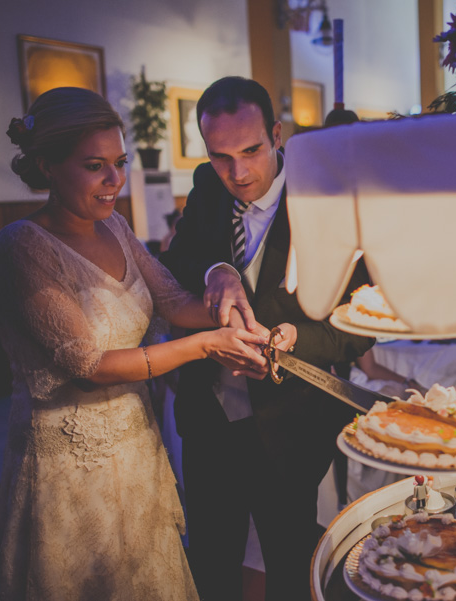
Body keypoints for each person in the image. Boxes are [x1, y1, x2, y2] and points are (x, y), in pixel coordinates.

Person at [0, 87, 281, 600]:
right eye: (94, 165)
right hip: (70, 470)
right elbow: (88, 364)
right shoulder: (21, 245)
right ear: (47, 166)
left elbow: (171, 297)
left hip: (138, 452)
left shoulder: (117, 227)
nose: (115, 180)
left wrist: (228, 297)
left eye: (119, 162)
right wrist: (206, 345)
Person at [159, 76, 374, 601]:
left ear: (277, 134)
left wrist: (295, 335)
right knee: (211, 559)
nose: (238, 172)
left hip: (291, 422)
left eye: (251, 150)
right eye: (220, 156)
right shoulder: (208, 189)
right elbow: (176, 264)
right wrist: (214, 269)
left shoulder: (328, 200)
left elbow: (359, 320)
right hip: (209, 417)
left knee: (290, 564)